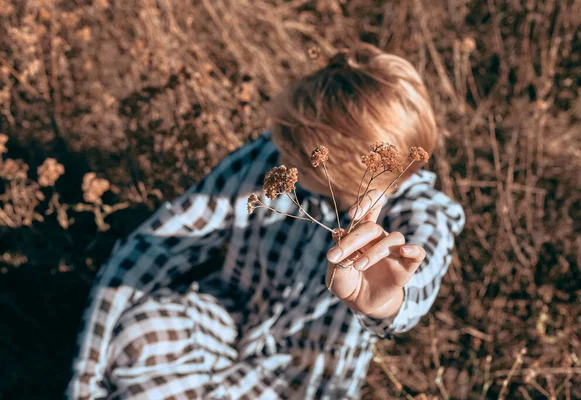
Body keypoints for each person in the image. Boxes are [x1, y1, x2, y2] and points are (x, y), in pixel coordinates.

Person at [67, 43, 465, 400]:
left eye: (298, 143)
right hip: (229, 316)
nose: (280, 145)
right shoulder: (276, 157)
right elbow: (156, 245)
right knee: (141, 333)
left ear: (350, 161)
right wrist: (85, 379)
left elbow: (412, 291)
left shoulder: (423, 214)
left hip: (299, 374)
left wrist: (383, 304)